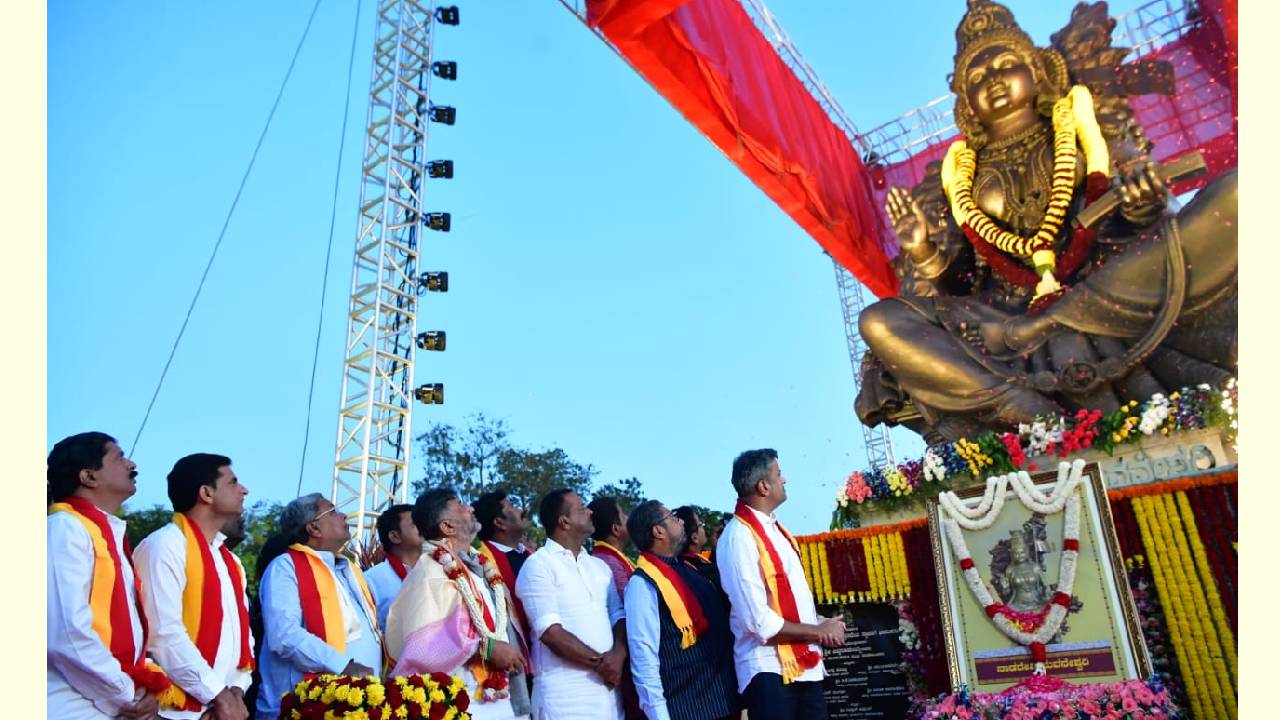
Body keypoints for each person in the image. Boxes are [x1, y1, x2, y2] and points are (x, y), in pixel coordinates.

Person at [856, 0, 1237, 442]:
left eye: (1005, 65)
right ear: (965, 102)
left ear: (1038, 71)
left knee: (1237, 195)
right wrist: (924, 252)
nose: (993, 80)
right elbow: (962, 280)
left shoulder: (1085, 126)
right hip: (1007, 312)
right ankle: (1020, 406)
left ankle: (1055, 327)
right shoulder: (956, 176)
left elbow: (1140, 210)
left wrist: (1139, 200)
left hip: (1109, 281)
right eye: (977, 78)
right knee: (880, 321)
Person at [47, 431, 170, 720]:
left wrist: (143, 692)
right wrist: (128, 694)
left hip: (112, 703)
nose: (131, 464)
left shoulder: (109, 535)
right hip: (71, 704)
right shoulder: (63, 528)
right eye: (119, 457)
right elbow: (65, 632)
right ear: (89, 476)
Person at [716, 449, 845, 720]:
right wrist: (819, 631)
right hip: (769, 670)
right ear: (763, 486)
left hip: (804, 667)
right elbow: (759, 623)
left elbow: (793, 606)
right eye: (778, 474)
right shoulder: (739, 537)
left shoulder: (777, 530)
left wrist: (821, 622)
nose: (784, 480)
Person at [385, 488, 528, 719]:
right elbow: (423, 643)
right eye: (461, 504)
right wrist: (488, 648)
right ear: (447, 527)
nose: (471, 508)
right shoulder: (429, 572)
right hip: (462, 699)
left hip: (499, 695)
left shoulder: (479, 567)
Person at [134, 453, 254, 720]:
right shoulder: (164, 546)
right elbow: (163, 634)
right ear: (206, 493)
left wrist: (235, 691)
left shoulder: (231, 561)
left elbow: (243, 638)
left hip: (223, 710)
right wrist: (218, 695)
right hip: (174, 711)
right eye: (233, 482)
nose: (244, 489)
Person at [255, 494, 383, 720]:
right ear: (314, 528)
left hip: (357, 706)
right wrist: (343, 666)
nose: (343, 514)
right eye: (332, 511)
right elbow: (285, 635)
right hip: (302, 706)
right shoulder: (285, 567)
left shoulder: (349, 571)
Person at [516, 489, 627, 720]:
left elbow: (618, 616)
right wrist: (603, 665)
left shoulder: (598, 566)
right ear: (564, 521)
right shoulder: (539, 565)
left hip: (608, 695)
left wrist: (617, 656)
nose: (590, 511)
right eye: (582, 508)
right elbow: (550, 632)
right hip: (564, 697)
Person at [624, 501, 739, 720]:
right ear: (658, 531)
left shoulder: (687, 568)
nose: (680, 521)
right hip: (687, 707)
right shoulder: (642, 584)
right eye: (672, 517)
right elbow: (643, 657)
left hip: (723, 699)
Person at [364, 503, 424, 629]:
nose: (425, 527)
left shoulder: (439, 569)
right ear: (395, 536)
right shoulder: (372, 580)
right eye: (416, 523)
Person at [588, 496, 634, 599]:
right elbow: (628, 601)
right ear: (616, 529)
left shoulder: (605, 557)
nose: (628, 518)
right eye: (623, 516)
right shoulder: (610, 564)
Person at [672, 506, 718, 589]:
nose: (704, 527)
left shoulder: (679, 563)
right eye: (700, 524)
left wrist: (716, 548)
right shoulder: (699, 571)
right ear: (694, 538)